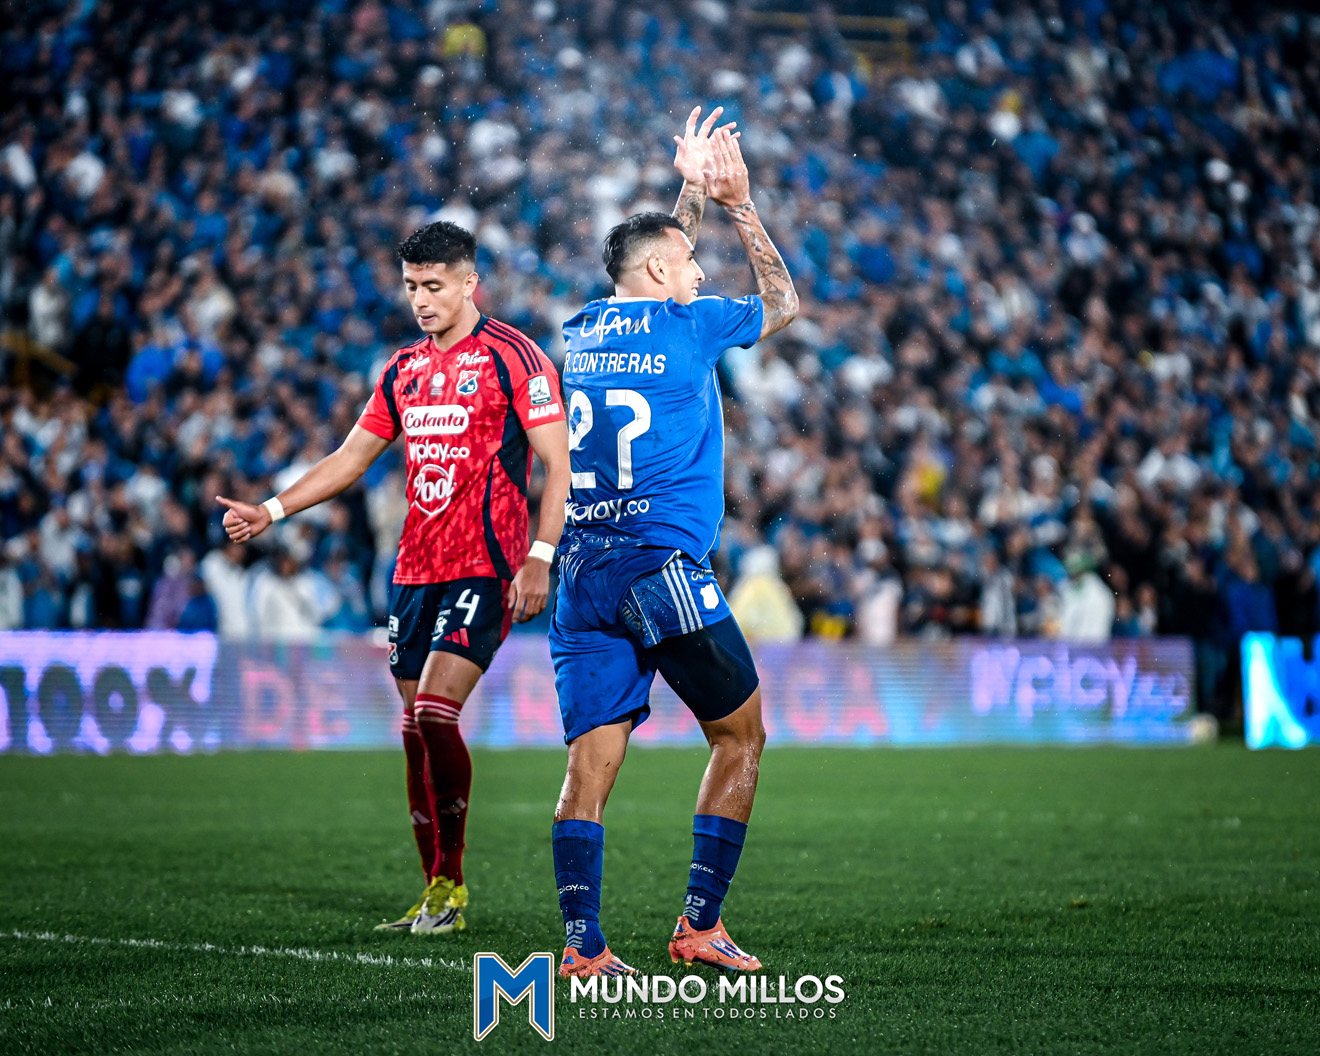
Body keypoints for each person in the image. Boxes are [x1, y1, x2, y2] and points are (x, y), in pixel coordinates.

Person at [216, 221, 570, 934]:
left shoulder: (516, 357)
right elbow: (350, 459)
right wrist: (271, 510)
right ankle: (437, 893)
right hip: (413, 569)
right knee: (413, 728)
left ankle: (452, 881)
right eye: (411, 287)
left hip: (486, 563)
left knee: (436, 711)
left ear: (470, 283)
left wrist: (540, 555)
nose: (421, 300)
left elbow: (559, 464)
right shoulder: (403, 367)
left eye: (434, 286)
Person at [548, 110, 798, 978]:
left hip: (582, 570)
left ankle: (583, 945)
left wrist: (688, 188)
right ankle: (700, 925)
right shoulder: (692, 325)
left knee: (589, 766)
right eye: (690, 262)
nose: (699, 270)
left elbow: (655, 261)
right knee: (741, 736)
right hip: (659, 566)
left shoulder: (581, 330)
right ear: (662, 273)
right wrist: (738, 204)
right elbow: (783, 304)